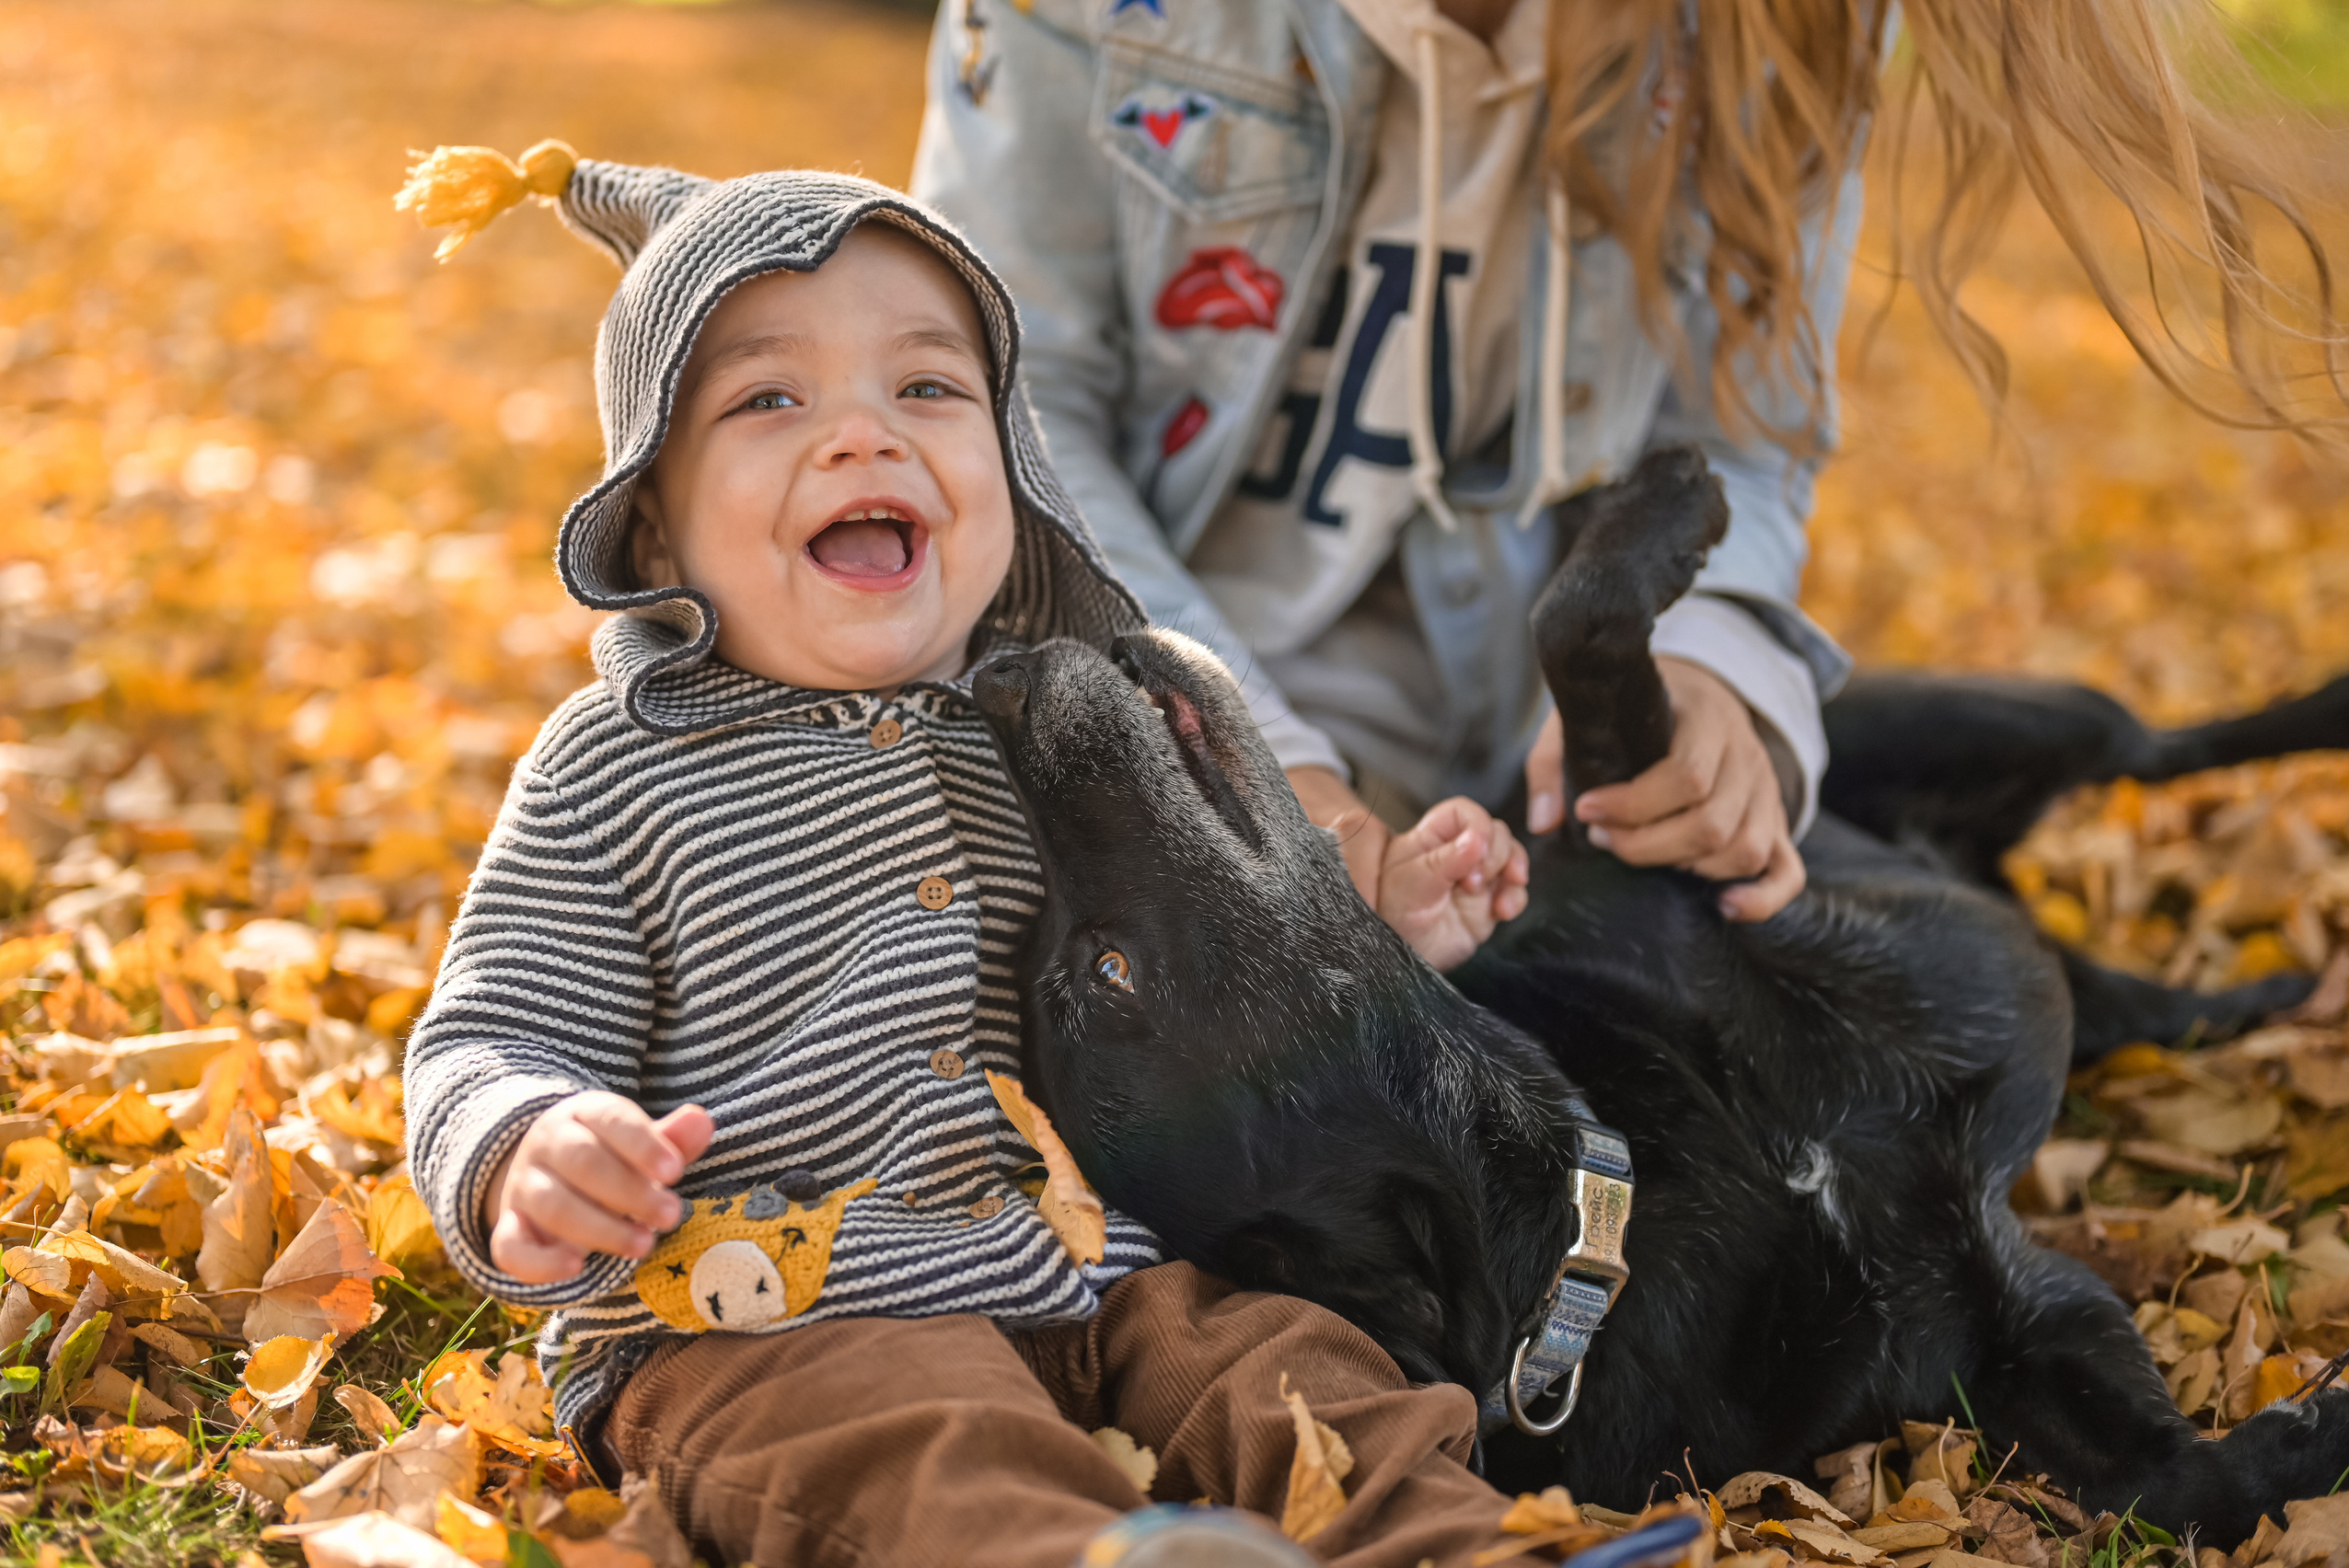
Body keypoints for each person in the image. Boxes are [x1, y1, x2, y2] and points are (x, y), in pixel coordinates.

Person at [394, 142, 1560, 1568]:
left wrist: (1381, 923)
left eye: (928, 389)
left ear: (1012, 473)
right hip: (769, 1316)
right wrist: (527, 1145)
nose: (864, 437)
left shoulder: (1059, 734)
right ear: (652, 521)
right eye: (770, 399)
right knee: (909, 1441)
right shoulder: (615, 768)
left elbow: (1222, 958)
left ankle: (1459, 1545)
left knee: (1297, 1367)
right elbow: (489, 1030)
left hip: (1106, 1277)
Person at [910, 0, 2349, 928]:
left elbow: (1744, 444)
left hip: (1526, 773)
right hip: (1180, 719)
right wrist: (1264, 770)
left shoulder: (1778, 32)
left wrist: (1723, 666)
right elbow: (1016, 413)